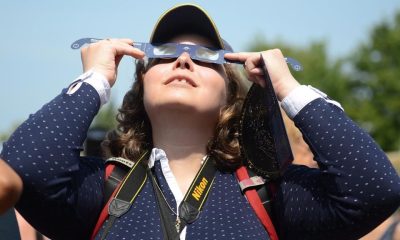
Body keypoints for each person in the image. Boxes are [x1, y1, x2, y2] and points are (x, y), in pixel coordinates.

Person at [1, 3, 399, 240]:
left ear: (230, 94)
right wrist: (95, 80)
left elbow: (375, 188)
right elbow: (22, 172)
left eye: (206, 56)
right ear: (140, 86)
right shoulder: (100, 189)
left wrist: (287, 88)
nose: (184, 59)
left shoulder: (269, 195)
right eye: (165, 53)